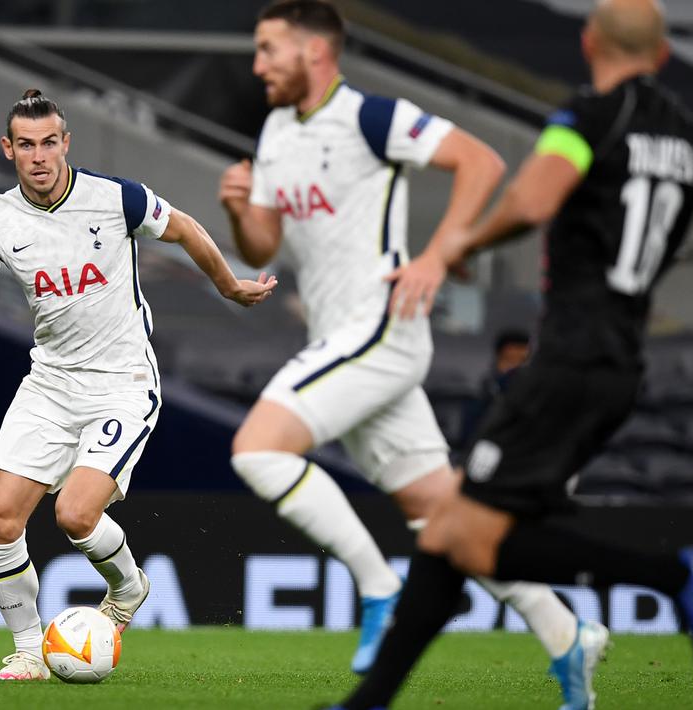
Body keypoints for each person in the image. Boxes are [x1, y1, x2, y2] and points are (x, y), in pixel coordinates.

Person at [338, 0, 693, 707]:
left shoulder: (586, 119)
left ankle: (673, 578)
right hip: (616, 366)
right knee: (452, 532)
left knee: (461, 536)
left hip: (568, 359)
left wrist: (456, 243)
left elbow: (535, 201)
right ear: (661, 56)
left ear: (588, 40)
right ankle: (368, 703)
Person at [219, 2, 610, 703]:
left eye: (267, 49)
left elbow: (480, 161)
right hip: (340, 340)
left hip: (380, 327)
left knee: (257, 449)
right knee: (445, 517)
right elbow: (263, 246)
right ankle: (565, 633)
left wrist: (437, 254)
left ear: (314, 52)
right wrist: (238, 209)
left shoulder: (371, 117)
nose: (257, 65)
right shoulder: (277, 129)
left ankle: (378, 589)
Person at [0, 89, 277, 681]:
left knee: (75, 515)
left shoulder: (115, 198)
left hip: (122, 381)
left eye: (50, 142)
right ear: (9, 150)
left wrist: (229, 285)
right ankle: (29, 652)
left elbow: (183, 229)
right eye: (26, 145)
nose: (40, 156)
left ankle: (128, 588)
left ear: (65, 142)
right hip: (50, 382)